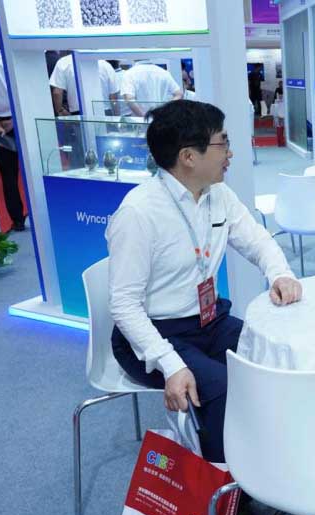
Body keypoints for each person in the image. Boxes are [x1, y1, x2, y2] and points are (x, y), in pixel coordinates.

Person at [107, 100, 302, 463]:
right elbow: (124, 306)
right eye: (222, 143)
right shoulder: (138, 213)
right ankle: (226, 486)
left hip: (209, 321)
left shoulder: (218, 195)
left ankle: (271, 456)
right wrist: (170, 364)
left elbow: (257, 241)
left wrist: (280, 273)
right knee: (221, 388)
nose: (231, 153)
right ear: (188, 157)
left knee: (276, 353)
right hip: (155, 334)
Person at [0, 24, 25, 231]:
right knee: (36, 169)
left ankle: (18, 220)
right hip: (23, 121)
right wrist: (17, 120)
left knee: (8, 176)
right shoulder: (17, 59)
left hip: (0, 124)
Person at [49, 52, 119, 116]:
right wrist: (116, 117)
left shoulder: (63, 63)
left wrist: (60, 111)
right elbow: (113, 96)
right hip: (105, 111)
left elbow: (57, 92)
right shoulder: (105, 65)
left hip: (78, 113)